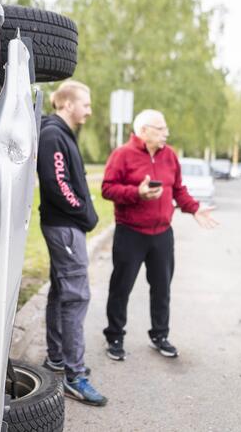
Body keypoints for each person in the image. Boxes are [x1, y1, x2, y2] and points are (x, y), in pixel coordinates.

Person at [101, 109, 217, 361]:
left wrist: (195, 209)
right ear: (143, 131)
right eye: (161, 128)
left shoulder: (170, 155)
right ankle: (115, 335)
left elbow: (178, 189)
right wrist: (137, 193)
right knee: (122, 287)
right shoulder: (122, 155)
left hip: (162, 234)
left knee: (162, 288)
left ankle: (160, 335)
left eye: (165, 129)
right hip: (130, 232)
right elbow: (107, 189)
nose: (166, 133)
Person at [36, 80, 107, 406]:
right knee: (76, 297)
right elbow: (56, 183)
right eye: (86, 105)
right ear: (67, 104)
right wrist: (83, 213)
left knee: (61, 292)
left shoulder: (60, 134)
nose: (89, 111)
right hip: (65, 228)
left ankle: (57, 359)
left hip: (66, 227)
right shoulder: (53, 135)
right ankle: (75, 375)